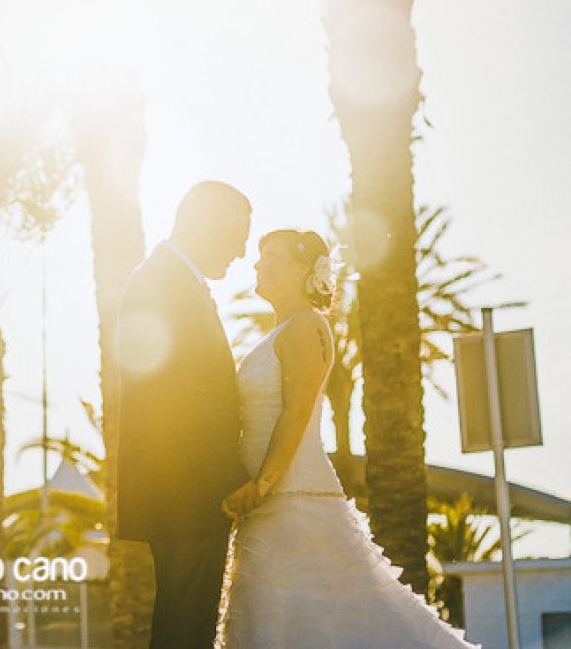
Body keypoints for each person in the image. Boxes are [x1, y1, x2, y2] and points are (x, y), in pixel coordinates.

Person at [219, 229, 480, 648]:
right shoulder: (279, 333)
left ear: (302, 270)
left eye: (270, 254)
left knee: (322, 622)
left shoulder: (306, 326)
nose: (258, 262)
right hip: (266, 507)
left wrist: (263, 485)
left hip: (292, 500)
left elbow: (297, 413)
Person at [112, 180, 253, 649]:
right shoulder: (164, 281)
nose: (241, 251)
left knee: (186, 621)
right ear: (205, 224)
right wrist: (226, 478)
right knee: (185, 624)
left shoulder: (174, 278)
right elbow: (173, 397)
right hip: (186, 491)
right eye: (237, 235)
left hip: (185, 491)